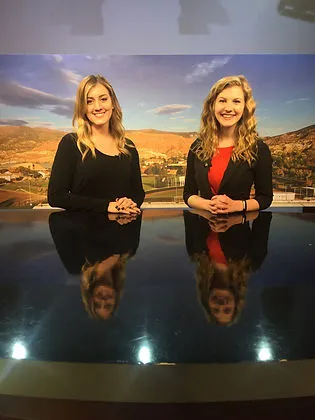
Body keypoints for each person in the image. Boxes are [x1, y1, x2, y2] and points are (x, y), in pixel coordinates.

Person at [48, 74, 144, 213]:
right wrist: (106, 206)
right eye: (89, 101)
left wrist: (130, 202)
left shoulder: (128, 147)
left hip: (122, 231)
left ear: (113, 103)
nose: (98, 107)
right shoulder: (71, 143)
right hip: (83, 231)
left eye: (103, 99)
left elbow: (138, 193)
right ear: (83, 108)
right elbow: (56, 197)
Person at [183, 75, 273, 214]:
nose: (228, 108)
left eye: (236, 101)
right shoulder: (197, 146)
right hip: (202, 231)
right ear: (212, 105)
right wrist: (208, 205)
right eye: (222, 101)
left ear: (245, 107)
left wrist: (236, 206)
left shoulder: (258, 148)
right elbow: (188, 194)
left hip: (238, 230)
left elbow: (265, 198)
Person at [184, 209, 272, 325]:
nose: (221, 305)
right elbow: (263, 218)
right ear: (236, 302)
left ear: (206, 302)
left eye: (215, 310)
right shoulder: (252, 261)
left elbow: (189, 213)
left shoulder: (195, 254)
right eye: (227, 309)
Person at [49, 210, 142, 320]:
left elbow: (56, 221)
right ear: (116, 299)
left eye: (97, 304)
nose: (103, 301)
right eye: (108, 305)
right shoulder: (129, 252)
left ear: (90, 299)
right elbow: (135, 215)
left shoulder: (75, 264)